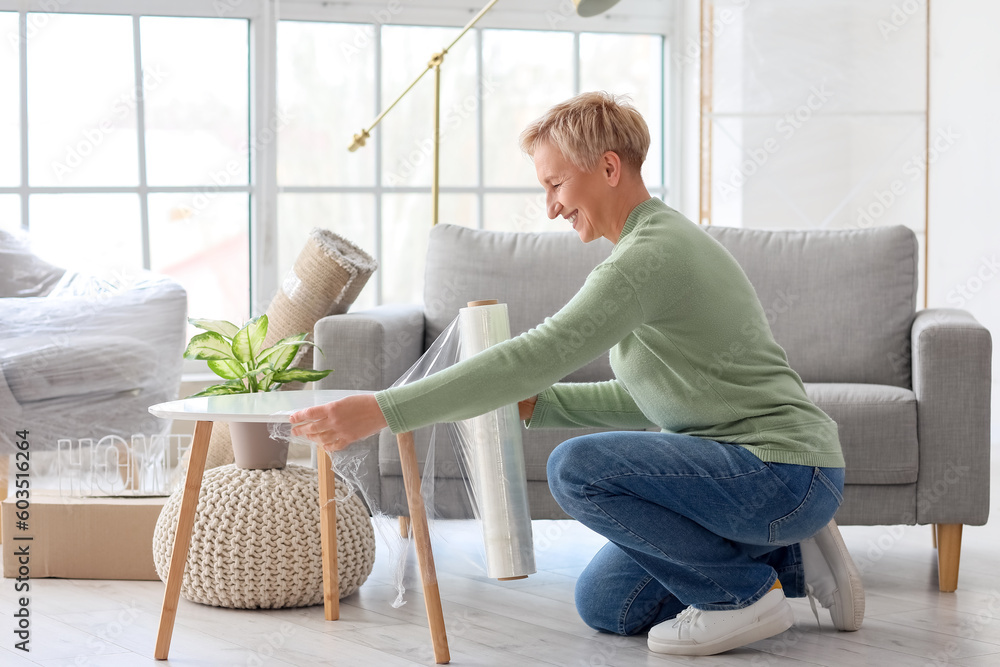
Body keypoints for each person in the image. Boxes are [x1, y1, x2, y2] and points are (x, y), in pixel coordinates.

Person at [290, 91, 864, 656]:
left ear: (608, 167)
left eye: (555, 184)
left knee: (577, 468)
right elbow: (661, 401)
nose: (551, 207)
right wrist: (544, 405)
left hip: (780, 472)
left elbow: (532, 355)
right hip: (749, 476)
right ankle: (791, 556)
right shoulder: (647, 246)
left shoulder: (647, 258)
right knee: (609, 605)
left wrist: (382, 409)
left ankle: (744, 597)